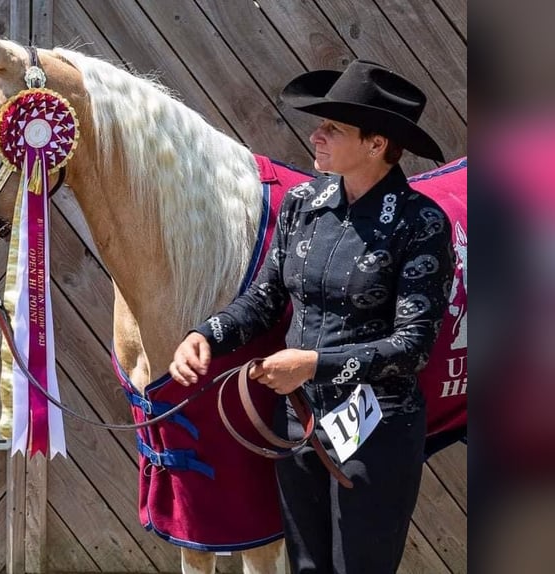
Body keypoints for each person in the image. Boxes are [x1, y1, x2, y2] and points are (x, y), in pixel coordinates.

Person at [169, 60, 456, 574]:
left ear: (377, 144)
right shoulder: (303, 204)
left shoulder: (421, 223)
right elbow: (266, 297)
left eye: (333, 128)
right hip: (299, 421)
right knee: (304, 566)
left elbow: (412, 346)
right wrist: (206, 334)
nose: (315, 135)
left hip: (378, 426)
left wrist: (312, 364)